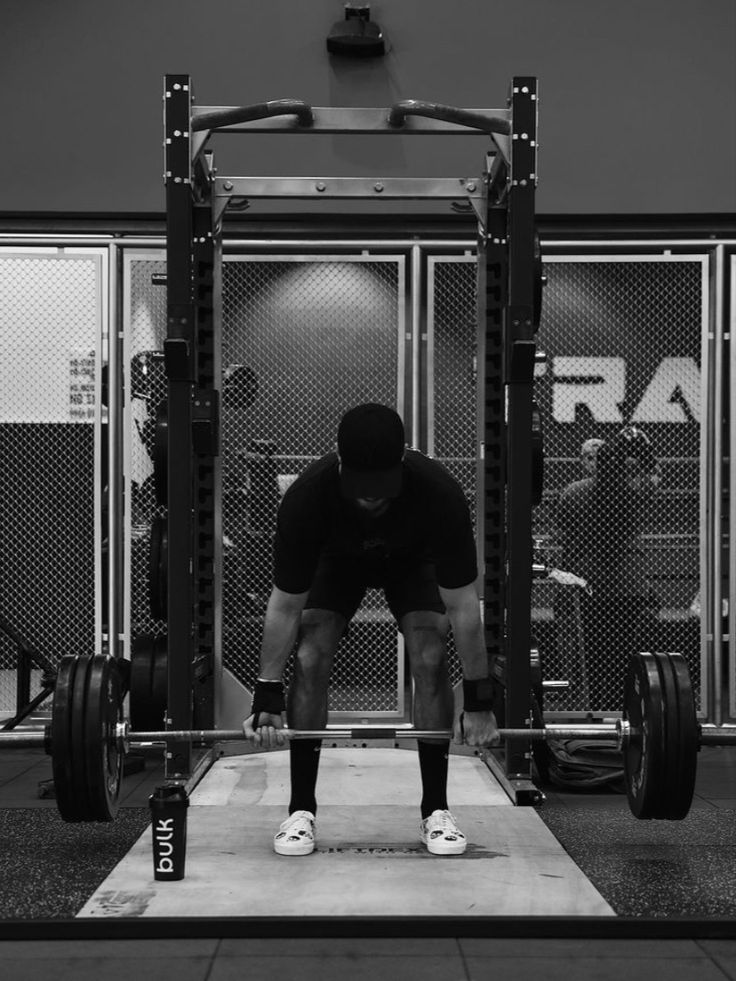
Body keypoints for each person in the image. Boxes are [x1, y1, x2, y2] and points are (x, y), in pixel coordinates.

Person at [242, 402, 499, 856]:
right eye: (360, 486)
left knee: (430, 653)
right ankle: (300, 809)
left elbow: (463, 606)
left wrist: (479, 700)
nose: (371, 498)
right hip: (336, 563)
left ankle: (435, 810)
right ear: (339, 463)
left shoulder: (439, 493)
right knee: (310, 654)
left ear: (401, 463)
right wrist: (266, 693)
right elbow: (284, 606)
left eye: (381, 487)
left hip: (413, 563)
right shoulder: (307, 497)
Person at [554, 425, 661, 710]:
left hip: (591, 581)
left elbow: (563, 530)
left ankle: (596, 709)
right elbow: (654, 479)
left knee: (593, 651)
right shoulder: (630, 492)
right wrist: (647, 452)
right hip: (626, 585)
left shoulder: (575, 492)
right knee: (621, 652)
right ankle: (617, 708)